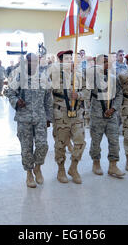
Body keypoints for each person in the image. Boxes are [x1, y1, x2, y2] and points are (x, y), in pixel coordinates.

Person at [6, 53, 52, 188]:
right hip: (24, 118)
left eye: (35, 61)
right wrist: (16, 101)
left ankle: (38, 167)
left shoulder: (43, 78)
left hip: (40, 117)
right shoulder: (19, 77)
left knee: (42, 145)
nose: (33, 63)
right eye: (30, 61)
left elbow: (48, 99)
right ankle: (29, 174)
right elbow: (9, 93)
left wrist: (49, 117)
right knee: (26, 147)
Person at [48, 50, 89, 184]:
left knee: (80, 142)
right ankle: (61, 169)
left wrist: (80, 95)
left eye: (71, 59)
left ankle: (73, 167)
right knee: (60, 143)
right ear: (59, 61)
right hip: (61, 113)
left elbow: (87, 90)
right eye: (66, 59)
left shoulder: (78, 74)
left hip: (77, 112)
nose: (70, 61)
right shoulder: (54, 72)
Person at [88, 54, 125, 178]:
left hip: (112, 115)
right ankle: (96, 162)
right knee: (96, 141)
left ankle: (113, 165)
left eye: (107, 62)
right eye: (103, 62)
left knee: (114, 141)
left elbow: (120, 95)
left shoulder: (114, 78)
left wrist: (114, 108)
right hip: (97, 114)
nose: (106, 64)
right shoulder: (92, 77)